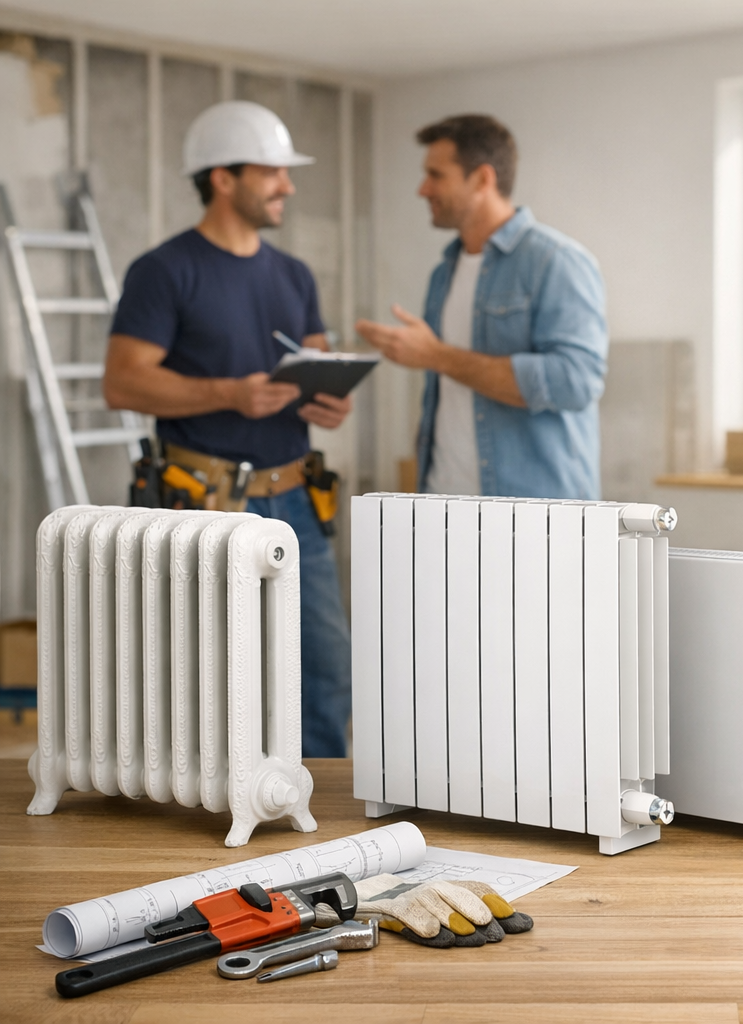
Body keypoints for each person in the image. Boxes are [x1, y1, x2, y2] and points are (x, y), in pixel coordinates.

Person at [103, 100, 352, 757]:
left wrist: (327, 401)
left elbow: (317, 362)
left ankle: (313, 812)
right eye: (272, 172)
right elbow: (123, 381)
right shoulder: (163, 271)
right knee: (208, 680)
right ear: (222, 177)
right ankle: (211, 808)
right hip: (204, 503)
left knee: (325, 673)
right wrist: (228, 394)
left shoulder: (294, 275)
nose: (287, 188)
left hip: (299, 500)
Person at [355, 114, 607, 499]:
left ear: (482, 179)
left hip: (533, 522)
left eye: (436, 175)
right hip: (445, 509)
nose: (423, 189)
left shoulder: (556, 262)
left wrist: (437, 356)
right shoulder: (445, 272)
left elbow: (576, 381)